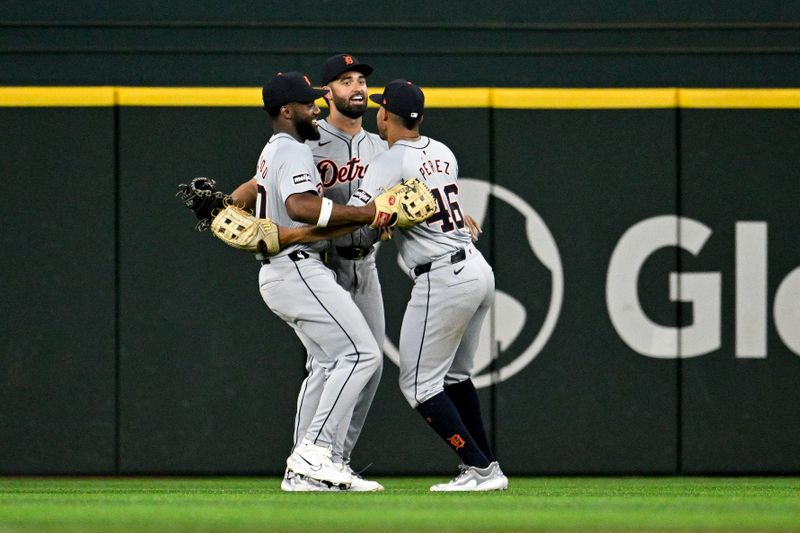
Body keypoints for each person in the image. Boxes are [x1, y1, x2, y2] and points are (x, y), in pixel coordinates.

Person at [347, 80, 508, 491]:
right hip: (475, 267)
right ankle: (486, 468)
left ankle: (480, 468)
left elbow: (360, 216)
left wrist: (368, 223)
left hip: (444, 275)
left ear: (385, 115)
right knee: (454, 377)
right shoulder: (442, 152)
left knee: (417, 385)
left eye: (380, 108)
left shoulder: (388, 161)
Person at [230, 70, 386, 490]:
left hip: (287, 269)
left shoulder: (275, 149)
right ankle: (313, 453)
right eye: (307, 104)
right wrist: (367, 214)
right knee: (361, 355)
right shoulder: (294, 149)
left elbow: (258, 194)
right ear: (286, 111)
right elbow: (300, 206)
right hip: (296, 265)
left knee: (329, 363)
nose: (315, 108)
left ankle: (306, 472)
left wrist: (223, 205)